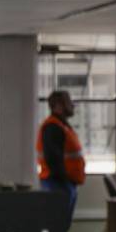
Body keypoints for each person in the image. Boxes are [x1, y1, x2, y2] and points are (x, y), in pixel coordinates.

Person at [36, 90, 85, 223]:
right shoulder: (52, 127)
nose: (72, 105)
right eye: (69, 102)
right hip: (57, 184)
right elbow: (53, 158)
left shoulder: (63, 126)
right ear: (58, 105)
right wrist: (64, 181)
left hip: (65, 183)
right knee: (57, 226)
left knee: (61, 225)